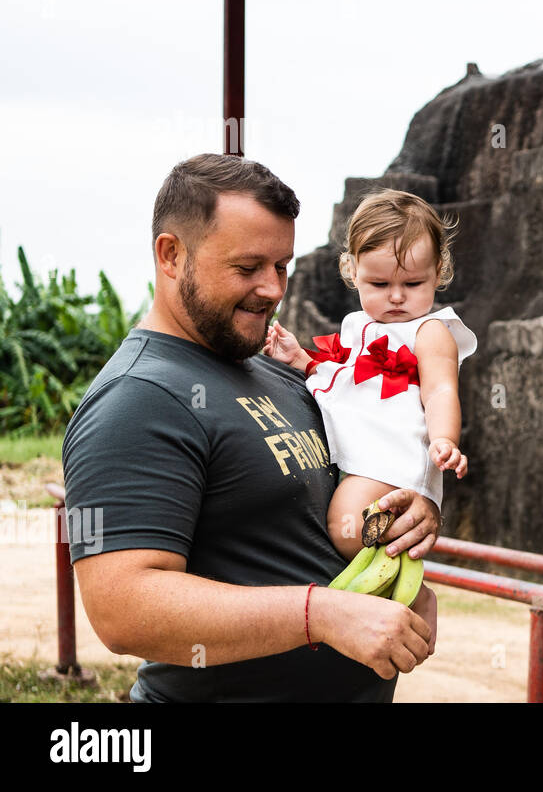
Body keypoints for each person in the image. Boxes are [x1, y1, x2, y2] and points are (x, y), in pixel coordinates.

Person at [62, 154, 440, 702]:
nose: (271, 289)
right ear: (171, 255)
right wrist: (321, 615)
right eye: (247, 268)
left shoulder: (275, 374)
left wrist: (409, 525)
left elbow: (299, 524)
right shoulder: (137, 398)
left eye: (281, 266)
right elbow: (122, 610)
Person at [263, 188, 477, 560]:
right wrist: (302, 360)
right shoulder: (359, 325)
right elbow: (351, 381)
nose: (396, 297)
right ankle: (405, 588)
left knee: (344, 528)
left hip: (393, 457)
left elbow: (441, 390)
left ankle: (394, 560)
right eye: (380, 285)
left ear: (439, 272)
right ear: (352, 272)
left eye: (412, 284)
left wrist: (445, 439)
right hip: (362, 452)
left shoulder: (430, 330)